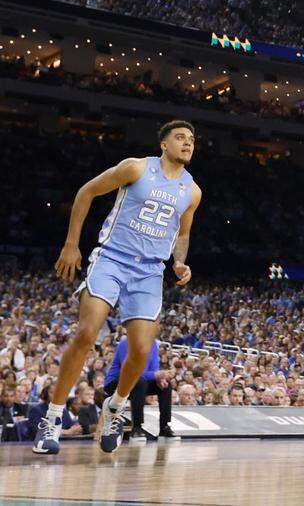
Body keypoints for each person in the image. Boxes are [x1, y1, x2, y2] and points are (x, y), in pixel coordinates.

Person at [33, 120, 201, 456]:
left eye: (192, 140)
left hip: (150, 271)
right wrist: (71, 244)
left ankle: (115, 407)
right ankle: (52, 417)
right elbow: (87, 191)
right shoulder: (136, 168)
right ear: (163, 144)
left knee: (141, 349)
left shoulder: (192, 191)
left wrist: (179, 262)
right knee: (87, 332)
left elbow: (181, 235)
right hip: (112, 258)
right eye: (180, 138)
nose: (187, 144)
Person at [104, 337, 175, 442]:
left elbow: (154, 369)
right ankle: (137, 427)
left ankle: (164, 427)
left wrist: (159, 379)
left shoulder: (154, 344)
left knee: (166, 385)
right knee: (139, 381)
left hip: (140, 382)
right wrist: (155, 375)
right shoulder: (126, 343)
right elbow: (129, 371)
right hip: (116, 383)